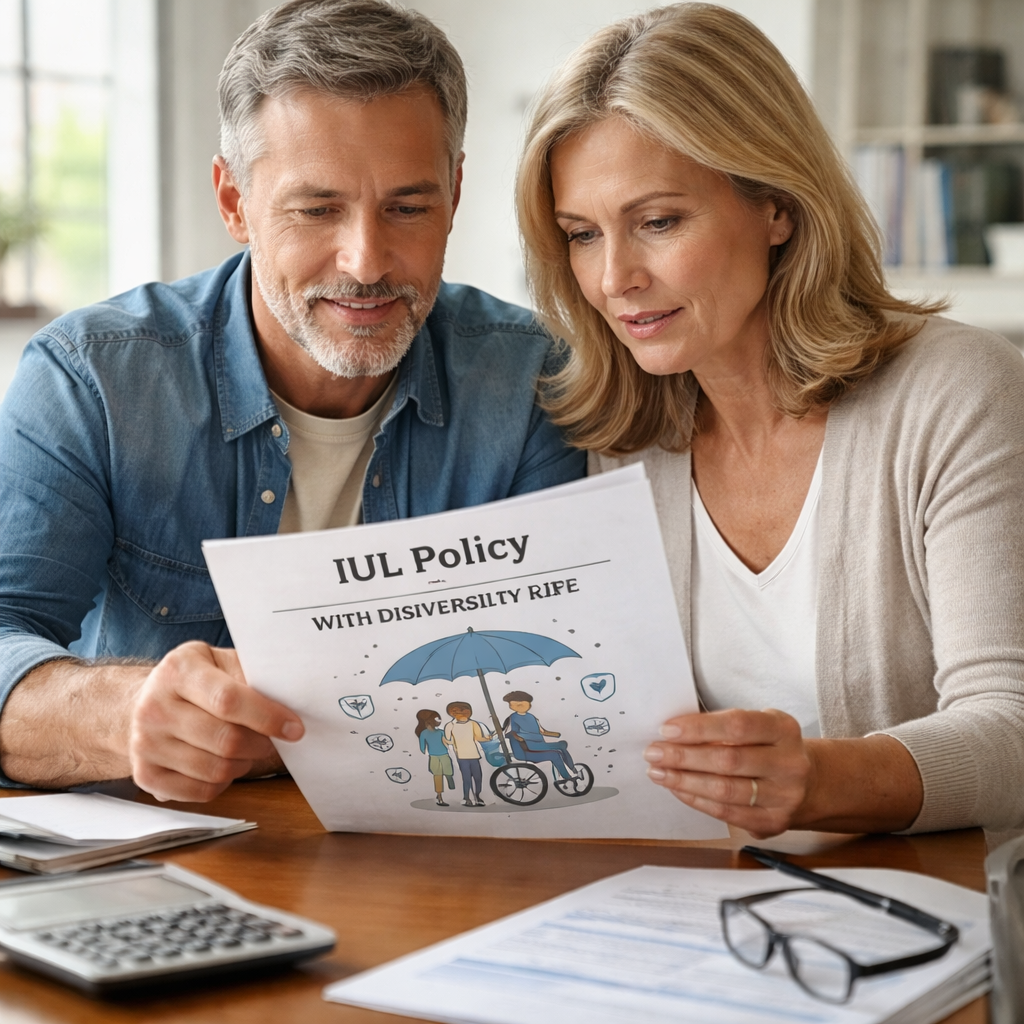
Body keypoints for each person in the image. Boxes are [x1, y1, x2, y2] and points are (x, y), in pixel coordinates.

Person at [0, 0, 584, 804]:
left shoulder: (532, 383)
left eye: (407, 207)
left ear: (454, 193)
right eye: (317, 210)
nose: (366, 261)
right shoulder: (92, 380)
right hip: (165, 847)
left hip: (436, 839)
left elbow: (564, 664)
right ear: (233, 201)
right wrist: (128, 712)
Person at [516, 3, 1024, 840]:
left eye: (658, 222)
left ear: (777, 206)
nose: (613, 279)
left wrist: (818, 779)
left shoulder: (958, 392)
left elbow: (1011, 729)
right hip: (714, 889)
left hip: (933, 895)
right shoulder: (622, 444)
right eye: (581, 235)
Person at [501, 690, 577, 780]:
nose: (519, 706)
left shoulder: (532, 717)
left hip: (538, 745)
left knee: (562, 746)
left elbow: (542, 731)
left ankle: (572, 768)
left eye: (522, 704)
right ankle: (567, 777)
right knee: (556, 753)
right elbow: (511, 732)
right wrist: (518, 737)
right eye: (515, 705)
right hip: (526, 748)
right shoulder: (513, 717)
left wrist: (554, 734)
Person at [443, 701, 491, 806]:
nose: (463, 713)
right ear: (452, 713)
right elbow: (449, 741)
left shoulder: (473, 723)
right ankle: (466, 798)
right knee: (466, 778)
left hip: (474, 755)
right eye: (457, 711)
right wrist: (446, 741)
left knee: (478, 778)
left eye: (465, 711)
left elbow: (478, 737)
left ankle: (477, 796)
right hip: (462, 756)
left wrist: (488, 738)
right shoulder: (450, 725)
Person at [415, 709, 455, 805]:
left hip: (443, 755)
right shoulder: (424, 733)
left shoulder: (440, 732)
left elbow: (448, 741)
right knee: (438, 775)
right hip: (435, 756)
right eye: (436, 719)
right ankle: (439, 796)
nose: (439, 720)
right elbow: (422, 747)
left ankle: (450, 783)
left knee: (448, 772)